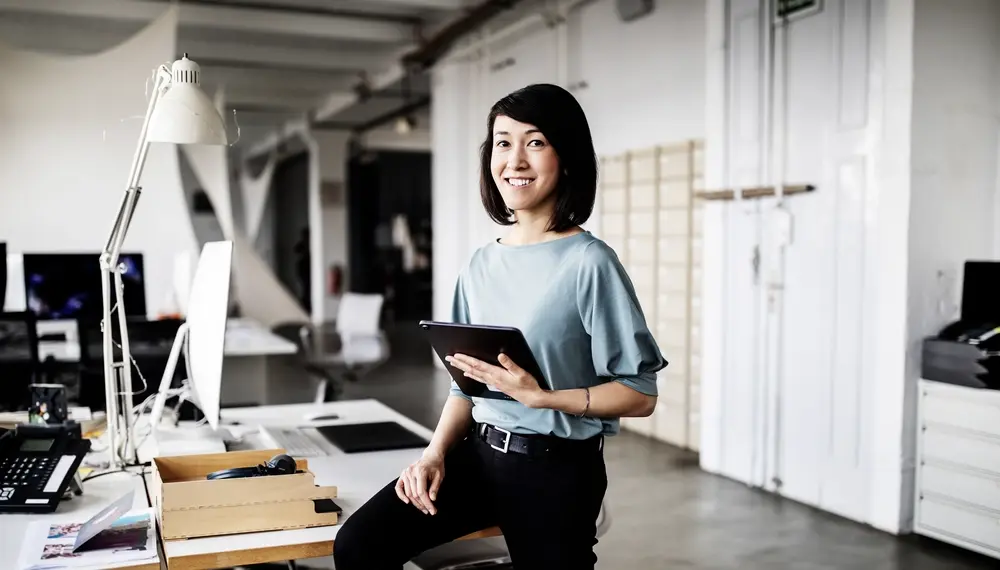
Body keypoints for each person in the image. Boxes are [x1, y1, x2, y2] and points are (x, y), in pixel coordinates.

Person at [333, 83, 667, 570]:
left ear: (567, 157)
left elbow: (641, 393)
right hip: (479, 456)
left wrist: (545, 397)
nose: (515, 160)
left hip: (557, 471)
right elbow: (465, 386)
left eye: (535, 142)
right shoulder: (481, 264)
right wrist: (434, 455)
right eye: (503, 142)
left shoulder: (590, 263)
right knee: (359, 546)